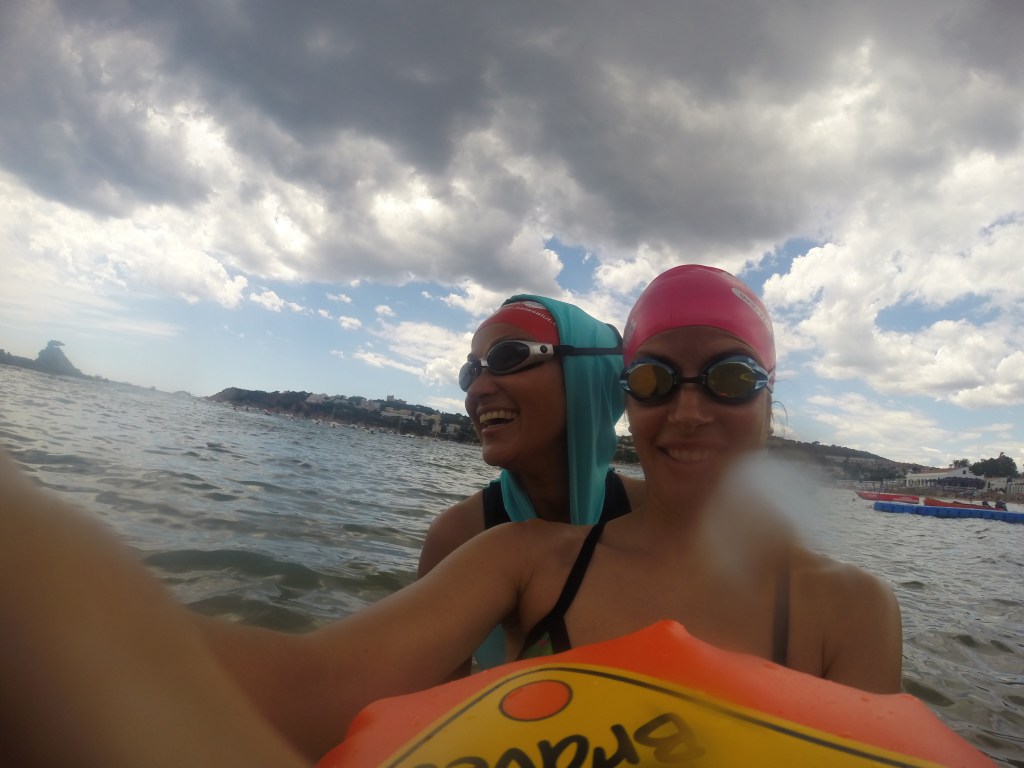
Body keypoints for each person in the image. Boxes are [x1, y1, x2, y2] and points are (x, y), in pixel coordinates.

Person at [1, 265, 903, 765]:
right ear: (626, 399)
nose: (690, 409)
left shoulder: (849, 610)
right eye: (655, 379)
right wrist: (44, 573)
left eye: (732, 378)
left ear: (772, 398)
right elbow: (313, 687)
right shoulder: (521, 558)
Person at [418, 295, 645, 671]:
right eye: (471, 371)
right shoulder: (458, 535)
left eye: (508, 356)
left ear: (586, 376)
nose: (476, 391)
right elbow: (432, 701)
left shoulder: (656, 518)